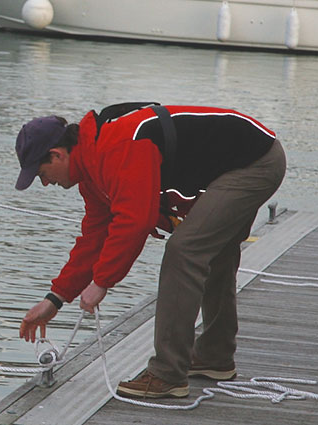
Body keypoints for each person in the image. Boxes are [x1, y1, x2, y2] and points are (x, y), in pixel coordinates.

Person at [14, 104, 286, 398]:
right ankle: (214, 357)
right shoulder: (92, 172)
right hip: (239, 162)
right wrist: (54, 299)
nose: (44, 183)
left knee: (184, 251)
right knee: (214, 252)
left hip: (256, 161)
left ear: (57, 154)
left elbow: (135, 221)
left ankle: (167, 374)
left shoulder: (119, 146)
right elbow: (94, 238)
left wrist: (102, 282)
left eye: (41, 173)